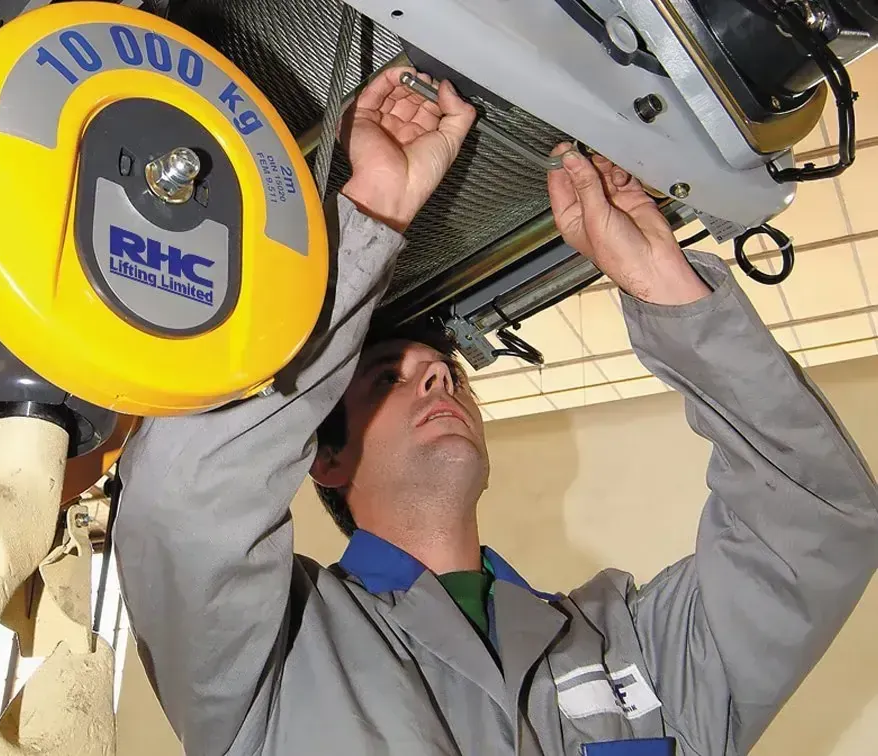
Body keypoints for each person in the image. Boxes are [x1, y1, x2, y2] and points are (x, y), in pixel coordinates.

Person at [113, 67, 878, 756]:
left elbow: (818, 526)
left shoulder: (629, 648)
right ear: (327, 457)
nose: (441, 382)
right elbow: (180, 503)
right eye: (388, 378)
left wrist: (665, 291)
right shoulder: (273, 654)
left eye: (446, 371)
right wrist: (370, 215)